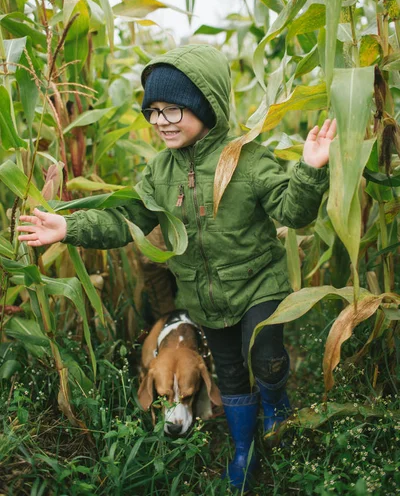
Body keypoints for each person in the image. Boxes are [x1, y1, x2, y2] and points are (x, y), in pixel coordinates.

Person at [18, 44, 336, 492]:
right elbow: (124, 220)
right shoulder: (158, 173)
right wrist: (68, 227)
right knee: (228, 372)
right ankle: (244, 449)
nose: (162, 121)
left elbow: (294, 212)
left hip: (259, 284)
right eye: (154, 111)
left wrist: (309, 171)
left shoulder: (248, 159)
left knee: (265, 359)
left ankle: (277, 405)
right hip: (203, 297)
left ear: (206, 106)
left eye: (175, 110)